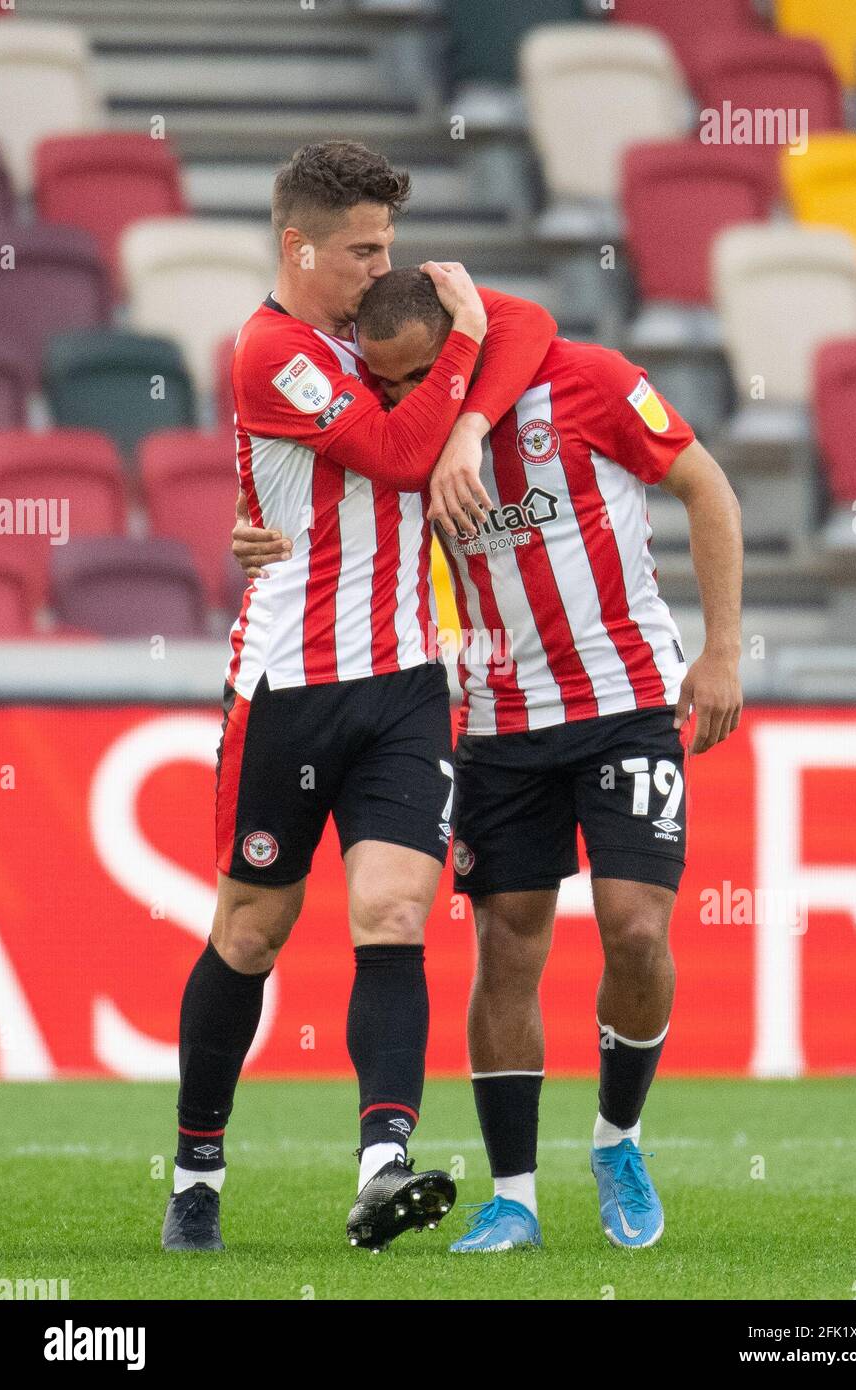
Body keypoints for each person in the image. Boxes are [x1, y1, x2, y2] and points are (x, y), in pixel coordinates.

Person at [233, 266, 744, 1254]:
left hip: (626, 697)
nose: (394, 397)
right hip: (499, 717)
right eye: (380, 384)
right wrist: (250, 535)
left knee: (635, 928)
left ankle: (617, 1139)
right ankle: (514, 1197)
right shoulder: (407, 438)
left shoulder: (588, 381)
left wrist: (723, 649)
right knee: (508, 946)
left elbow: (706, 485)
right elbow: (316, 510)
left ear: (457, 338)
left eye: (412, 376)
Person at [162, 143, 558, 1256]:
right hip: (289, 684)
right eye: (365, 248)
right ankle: (197, 1165)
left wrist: (475, 396)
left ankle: (383, 1161)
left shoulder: (381, 319)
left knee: (390, 914)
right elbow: (393, 449)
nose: (388, 264)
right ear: (301, 249)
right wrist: (463, 360)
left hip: (401, 681)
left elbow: (526, 326)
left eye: (388, 242)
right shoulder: (271, 348)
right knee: (252, 932)